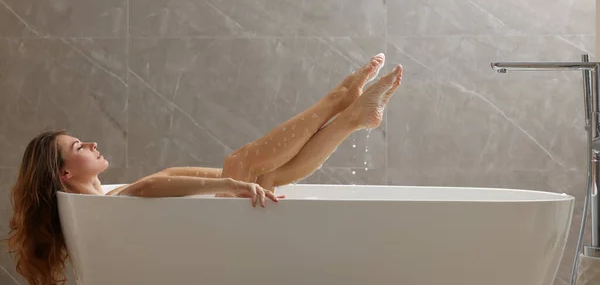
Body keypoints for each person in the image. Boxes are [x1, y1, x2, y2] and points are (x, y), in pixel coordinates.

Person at [5, 53, 402, 285]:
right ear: (65, 175)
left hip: (201, 246)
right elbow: (147, 187)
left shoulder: (105, 202)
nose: (90, 143)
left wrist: (236, 184)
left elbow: (151, 185)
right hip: (205, 251)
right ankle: (338, 101)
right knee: (240, 167)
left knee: (265, 178)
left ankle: (351, 116)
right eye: (78, 147)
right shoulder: (108, 205)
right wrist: (231, 180)